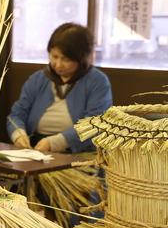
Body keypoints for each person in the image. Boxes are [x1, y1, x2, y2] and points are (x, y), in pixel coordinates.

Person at [7, 22, 112, 153]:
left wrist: (56, 142)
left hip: (78, 152)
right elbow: (16, 114)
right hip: (36, 148)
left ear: (81, 58)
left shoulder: (98, 81)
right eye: (54, 56)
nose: (58, 64)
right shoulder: (38, 79)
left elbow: (95, 123)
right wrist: (18, 134)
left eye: (66, 59)